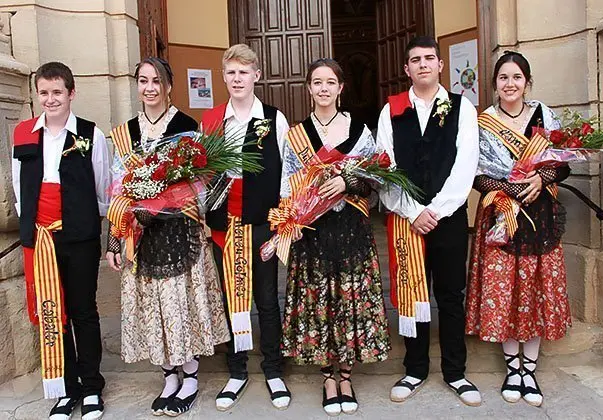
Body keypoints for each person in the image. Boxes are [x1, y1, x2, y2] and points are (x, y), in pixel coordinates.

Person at [105, 57, 230, 416]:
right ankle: (168, 375)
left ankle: (189, 376)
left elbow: (199, 186)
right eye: (143, 81)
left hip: (179, 232)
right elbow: (118, 191)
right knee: (154, 306)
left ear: (168, 85)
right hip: (141, 235)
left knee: (179, 305)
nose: (149, 88)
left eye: (156, 81)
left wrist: (159, 208)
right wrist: (116, 237)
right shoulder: (126, 133)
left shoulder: (187, 127)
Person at [280, 58, 391, 416]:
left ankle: (346, 374)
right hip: (312, 232)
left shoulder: (360, 131)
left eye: (330, 82)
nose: (324, 88)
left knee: (350, 299)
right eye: (317, 82)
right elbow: (286, 184)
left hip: (351, 230)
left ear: (341, 89)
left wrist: (346, 181)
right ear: (309, 89)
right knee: (319, 301)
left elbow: (376, 180)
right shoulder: (296, 135)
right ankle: (328, 376)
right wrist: (304, 199)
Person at [376, 36, 481, 406]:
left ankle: (455, 372)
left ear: (440, 65)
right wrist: (412, 211)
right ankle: (415, 369)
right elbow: (384, 167)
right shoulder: (391, 110)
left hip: (448, 218)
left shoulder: (461, 107)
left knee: (450, 295)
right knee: (413, 296)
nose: (423, 64)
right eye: (415, 60)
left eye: (429, 58)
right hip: (408, 219)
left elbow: (466, 164)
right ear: (406, 69)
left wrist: (435, 210)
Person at [465, 51, 572, 407]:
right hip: (501, 215)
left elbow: (563, 164)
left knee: (535, 289)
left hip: (540, 217)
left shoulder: (544, 116)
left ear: (527, 82)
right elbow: (475, 173)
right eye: (503, 78)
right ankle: (513, 369)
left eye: (516, 77)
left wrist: (542, 178)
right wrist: (510, 189)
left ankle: (531, 369)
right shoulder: (484, 122)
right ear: (494, 84)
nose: (510, 84)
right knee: (506, 291)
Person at [11, 62, 109, 420]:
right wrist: (33, 228)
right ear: (36, 95)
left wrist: (82, 221)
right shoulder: (23, 134)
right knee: (55, 312)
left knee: (83, 310)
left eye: (57, 92)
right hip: (41, 239)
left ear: (71, 93)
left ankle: (92, 386)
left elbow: (103, 192)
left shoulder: (90, 135)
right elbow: (20, 188)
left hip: (79, 239)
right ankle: (66, 390)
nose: (50, 99)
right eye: (44, 93)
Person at [200, 44, 292, 411]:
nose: (238, 79)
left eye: (244, 72)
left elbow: (289, 172)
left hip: (261, 221)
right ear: (223, 77)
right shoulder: (211, 122)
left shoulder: (274, 119)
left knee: (267, 299)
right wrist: (206, 221)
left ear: (256, 75)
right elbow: (202, 178)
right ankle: (236, 370)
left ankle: (273, 369)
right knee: (230, 299)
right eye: (231, 73)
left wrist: (282, 223)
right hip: (224, 225)